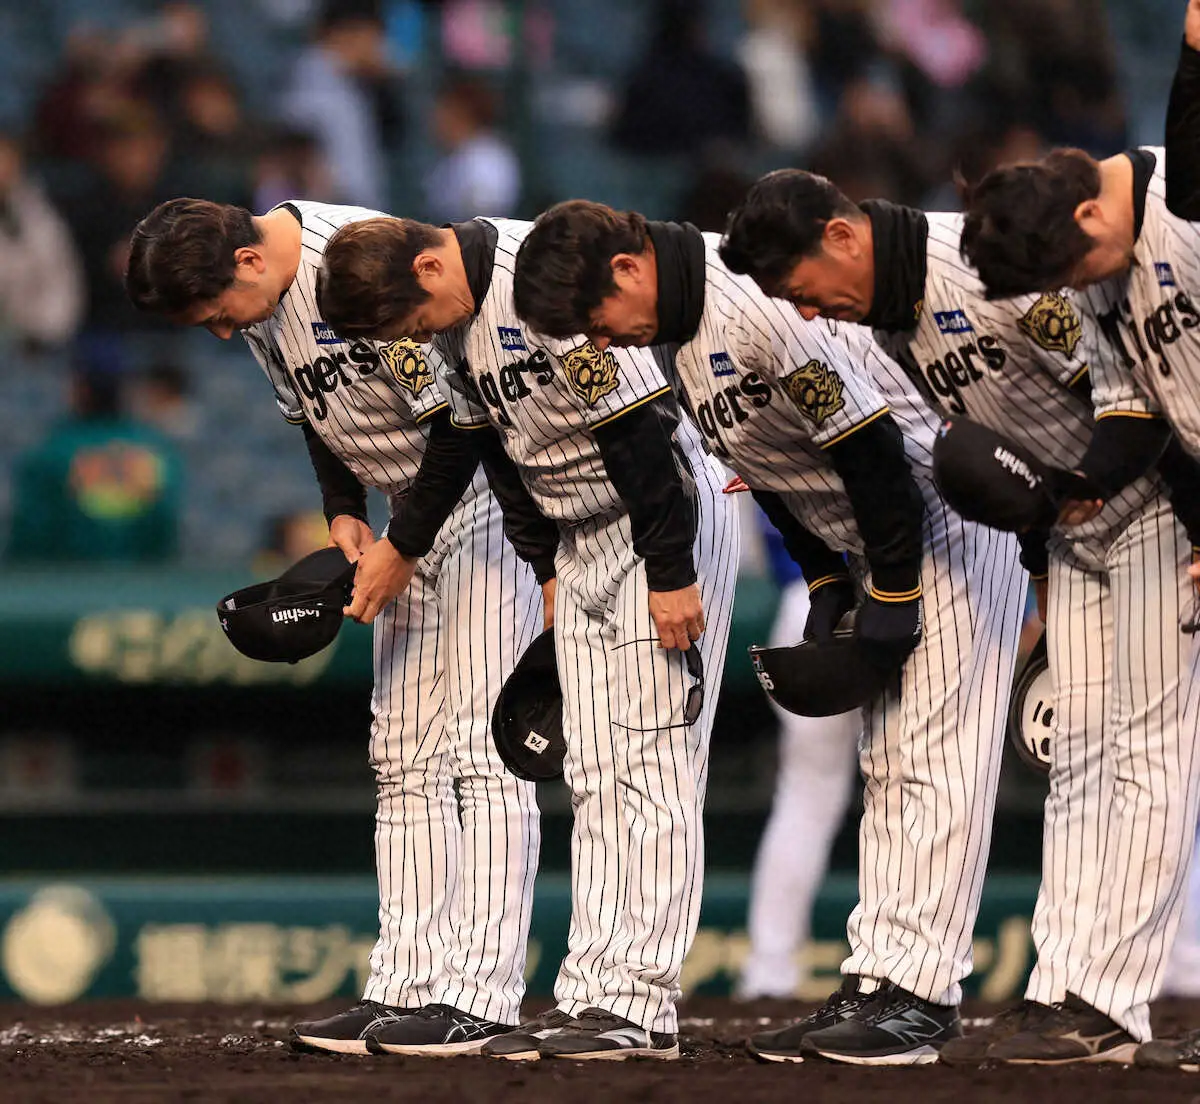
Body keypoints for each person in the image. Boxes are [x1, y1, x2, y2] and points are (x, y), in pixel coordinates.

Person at [510, 198, 1029, 1065]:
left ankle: (920, 996)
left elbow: (868, 453)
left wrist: (892, 590)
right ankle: (879, 980)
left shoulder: (746, 304)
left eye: (596, 323)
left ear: (630, 269)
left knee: (935, 760)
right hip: (874, 540)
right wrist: (829, 583)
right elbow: (775, 470)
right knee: (890, 759)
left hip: (938, 525)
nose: (599, 346)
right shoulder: (674, 331)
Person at [720, 165, 1200, 1062]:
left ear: (843, 237)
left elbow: (1140, 389)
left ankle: (1105, 1001)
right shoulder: (894, 322)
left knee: (1140, 753)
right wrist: (1042, 565)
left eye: (805, 293)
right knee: (1081, 757)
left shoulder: (987, 269)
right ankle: (1066, 988)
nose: (810, 316)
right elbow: (1008, 456)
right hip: (1072, 530)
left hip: (1151, 509)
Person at [125, 197, 548, 1056]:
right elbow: (312, 412)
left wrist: (404, 540)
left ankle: (481, 992)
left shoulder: (350, 265)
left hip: (476, 504)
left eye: (214, 316)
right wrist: (343, 508)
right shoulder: (259, 294)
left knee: (480, 749)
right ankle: (408, 983)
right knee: (402, 753)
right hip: (404, 517)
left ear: (248, 261)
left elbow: (463, 426)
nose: (215, 334)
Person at [315, 212, 738, 1060]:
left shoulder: (538, 281)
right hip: (577, 534)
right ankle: (593, 995)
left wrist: (670, 571)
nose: (416, 339)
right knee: (593, 769)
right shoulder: (457, 315)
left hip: (659, 523)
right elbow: (496, 451)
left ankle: (639, 1003)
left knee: (649, 765)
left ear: (431, 267)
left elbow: (641, 433)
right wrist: (545, 570)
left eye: (414, 320)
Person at [737, 512, 861, 1003]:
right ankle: (905, 968)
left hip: (804, 606)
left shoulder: (770, 440)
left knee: (806, 799)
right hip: (885, 599)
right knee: (908, 784)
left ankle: (768, 968)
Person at [8, 368, 182, 564]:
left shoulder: (55, 451)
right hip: (146, 579)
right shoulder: (157, 448)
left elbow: (32, 528)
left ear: (83, 392)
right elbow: (166, 522)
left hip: (69, 578)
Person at [424, 76, 520, 224]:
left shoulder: (488, 157)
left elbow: (485, 214)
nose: (434, 120)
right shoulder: (455, 156)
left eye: (442, 111)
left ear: (460, 113)